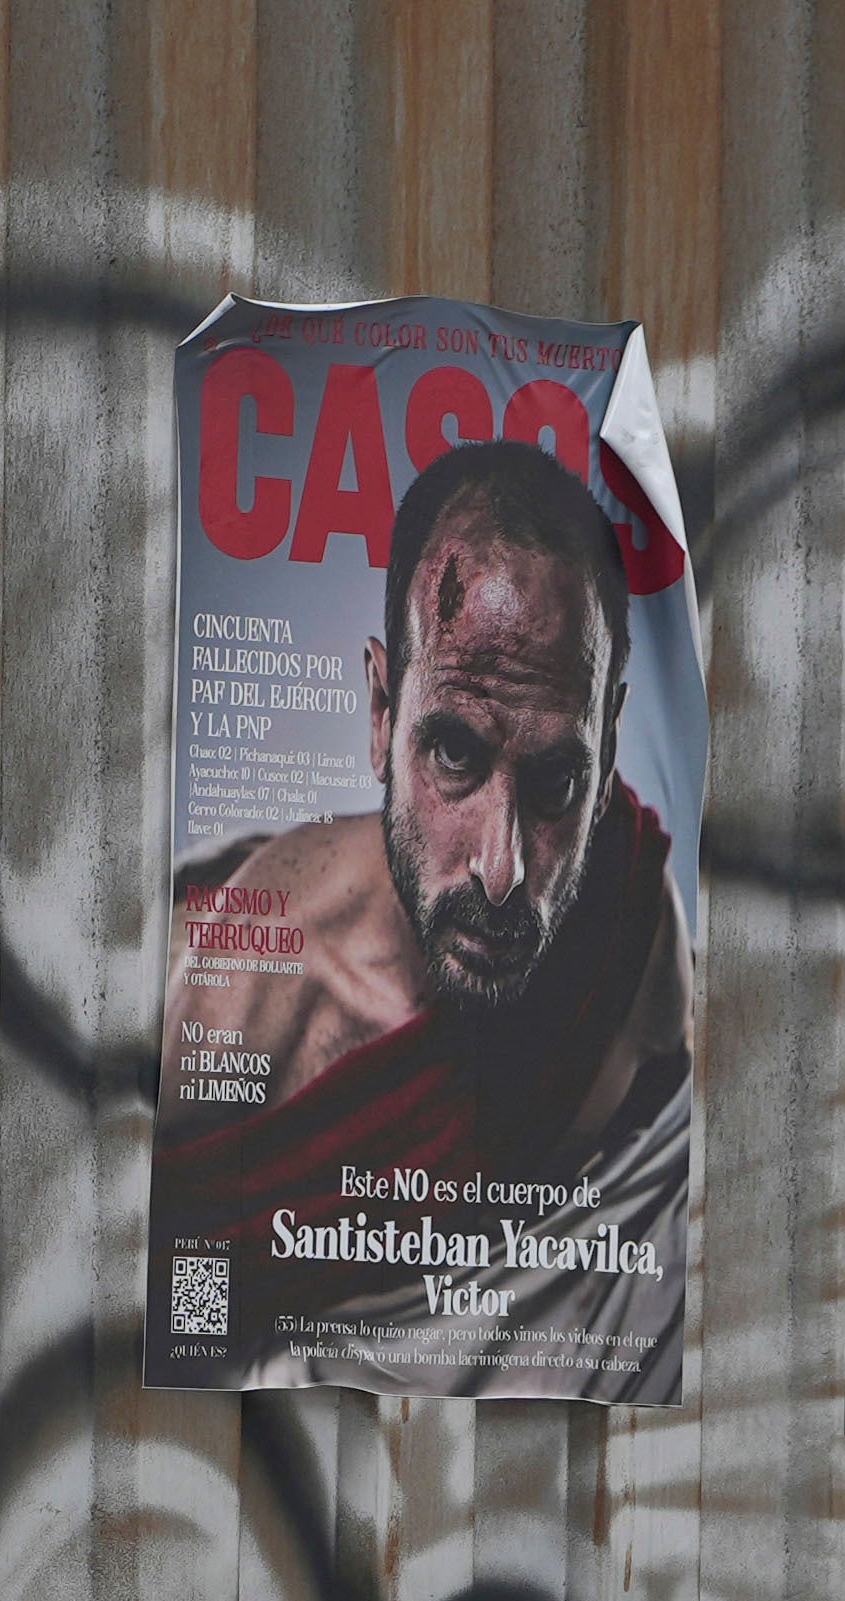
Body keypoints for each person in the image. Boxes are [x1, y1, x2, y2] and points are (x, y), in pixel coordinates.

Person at [159, 431, 694, 1400]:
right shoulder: (236, 995)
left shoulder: (631, 927)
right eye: (453, 754)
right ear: (378, 713)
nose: (501, 868)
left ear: (609, 746)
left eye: (555, 781)